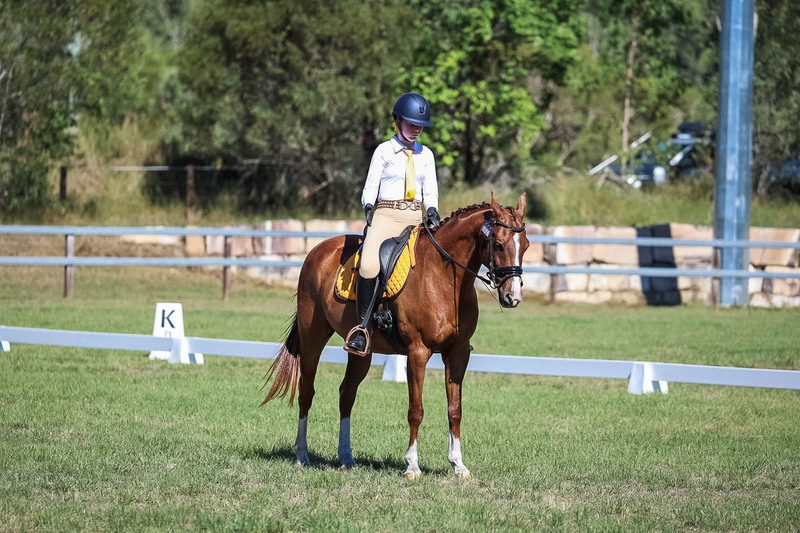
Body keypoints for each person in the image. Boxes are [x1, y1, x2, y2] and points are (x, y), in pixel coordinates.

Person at [344, 92, 441, 354]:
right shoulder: (384, 151)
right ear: (397, 121)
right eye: (411, 123)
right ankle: (362, 329)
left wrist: (432, 209)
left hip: (414, 218)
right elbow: (371, 185)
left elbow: (429, 189)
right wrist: (367, 205)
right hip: (387, 214)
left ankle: (446, 328)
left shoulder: (426, 155)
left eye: (420, 125)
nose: (417, 129)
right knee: (369, 264)